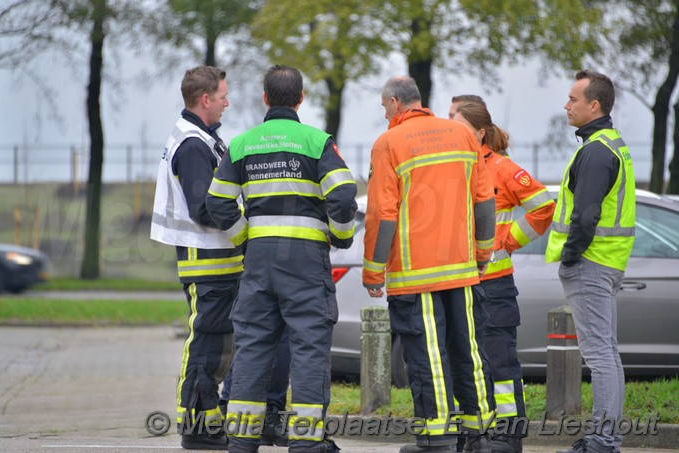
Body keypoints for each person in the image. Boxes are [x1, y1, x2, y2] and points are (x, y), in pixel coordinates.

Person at [205, 64, 357, 453]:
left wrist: (245, 240)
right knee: (308, 347)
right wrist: (339, 237)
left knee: (253, 346)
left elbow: (218, 202)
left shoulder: (241, 144)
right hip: (305, 262)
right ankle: (306, 444)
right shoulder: (316, 141)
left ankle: (241, 441)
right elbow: (341, 198)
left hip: (259, 261)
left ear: (265, 98)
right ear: (301, 98)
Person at [363, 76, 497, 453]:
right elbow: (484, 200)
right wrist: (482, 254)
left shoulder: (389, 143)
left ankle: (436, 438)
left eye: (383, 105)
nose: (384, 111)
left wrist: (373, 272)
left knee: (427, 356)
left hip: (415, 273)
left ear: (393, 103)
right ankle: (479, 435)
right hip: (463, 269)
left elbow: (381, 215)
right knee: (469, 350)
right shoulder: (461, 135)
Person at [451, 100, 556, 453]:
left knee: (500, 363)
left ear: (479, 131)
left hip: (494, 284)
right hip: (460, 282)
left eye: (457, 121)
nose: (450, 125)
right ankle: (474, 432)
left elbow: (543, 207)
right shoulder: (452, 167)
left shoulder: (501, 168)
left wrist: (509, 241)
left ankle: (508, 435)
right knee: (468, 363)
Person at [150, 65, 242, 450]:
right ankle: (196, 427)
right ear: (205, 99)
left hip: (215, 260)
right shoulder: (193, 145)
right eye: (222, 96)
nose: (227, 102)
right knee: (206, 343)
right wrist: (246, 232)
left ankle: (207, 422)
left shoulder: (201, 138)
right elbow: (206, 207)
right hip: (209, 263)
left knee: (216, 344)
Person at [546, 70, 635, 453]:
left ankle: (603, 439)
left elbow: (585, 215)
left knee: (599, 354)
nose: (566, 105)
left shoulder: (596, 150)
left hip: (591, 262)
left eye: (573, 99)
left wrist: (570, 256)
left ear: (593, 105)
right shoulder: (612, 144)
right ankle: (607, 437)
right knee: (608, 353)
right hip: (606, 262)